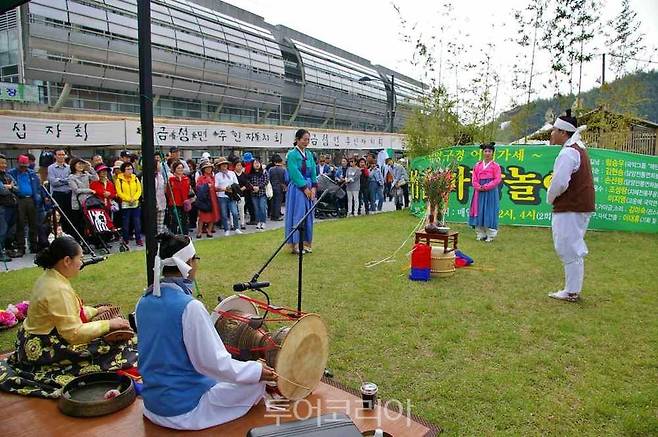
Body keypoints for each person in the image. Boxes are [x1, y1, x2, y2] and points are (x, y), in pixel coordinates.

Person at [136, 233, 276, 430]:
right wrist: (256, 370)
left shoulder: (143, 301)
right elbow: (213, 364)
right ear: (189, 263)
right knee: (254, 384)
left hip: (152, 406)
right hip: (183, 412)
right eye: (196, 259)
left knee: (234, 377)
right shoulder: (189, 307)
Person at [0, 236, 137, 398]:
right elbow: (73, 334)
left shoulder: (50, 277)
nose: (81, 263)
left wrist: (95, 312)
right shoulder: (58, 288)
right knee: (121, 347)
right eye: (79, 258)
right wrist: (110, 324)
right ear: (66, 260)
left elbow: (68, 314)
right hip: (44, 347)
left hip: (31, 340)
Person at [546, 110, 595, 302]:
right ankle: (572, 289)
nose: (551, 134)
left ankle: (572, 291)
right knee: (571, 246)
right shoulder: (577, 148)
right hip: (578, 205)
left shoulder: (568, 152)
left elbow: (559, 183)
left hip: (572, 206)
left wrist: (550, 197)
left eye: (554, 130)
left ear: (563, 133)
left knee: (568, 246)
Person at [285, 129, 318, 253]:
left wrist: (314, 186)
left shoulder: (309, 154)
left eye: (308, 139)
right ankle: (295, 244)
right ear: (297, 139)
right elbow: (294, 172)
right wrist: (304, 188)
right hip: (298, 188)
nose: (306, 142)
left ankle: (305, 243)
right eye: (304, 139)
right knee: (298, 214)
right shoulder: (292, 154)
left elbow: (314, 171)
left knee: (308, 215)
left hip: (309, 186)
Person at [8, 155, 43, 257]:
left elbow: (38, 187)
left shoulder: (31, 173)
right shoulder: (11, 173)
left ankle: (33, 245)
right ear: (18, 163)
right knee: (20, 224)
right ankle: (20, 247)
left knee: (33, 223)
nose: (24, 167)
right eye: (22, 165)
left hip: (31, 199)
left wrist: (38, 197)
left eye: (25, 165)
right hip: (19, 199)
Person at [468, 143, 502, 242]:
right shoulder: (477, 165)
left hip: (490, 192)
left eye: (489, 151)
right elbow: (474, 178)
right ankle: (480, 233)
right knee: (478, 210)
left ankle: (490, 234)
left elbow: (497, 179)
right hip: (478, 192)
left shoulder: (495, 166)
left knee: (489, 210)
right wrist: (478, 186)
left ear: (492, 153)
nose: (487, 153)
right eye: (485, 151)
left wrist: (486, 186)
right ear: (483, 152)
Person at [68, 157, 99, 243]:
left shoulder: (86, 174)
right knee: (79, 224)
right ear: (74, 166)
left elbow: (96, 178)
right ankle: (80, 241)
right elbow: (76, 190)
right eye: (79, 164)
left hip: (87, 202)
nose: (81, 166)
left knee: (88, 222)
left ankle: (91, 240)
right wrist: (89, 190)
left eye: (82, 164)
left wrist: (90, 167)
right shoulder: (71, 177)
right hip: (77, 203)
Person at [47, 149, 73, 239]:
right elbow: (53, 182)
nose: (61, 156)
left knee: (69, 216)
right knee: (58, 216)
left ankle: (69, 236)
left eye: (63, 154)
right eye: (59, 154)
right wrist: (65, 180)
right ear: (55, 156)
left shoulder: (69, 167)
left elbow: (71, 180)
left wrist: (60, 180)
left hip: (69, 194)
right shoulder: (51, 168)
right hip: (58, 194)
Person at [115, 161, 143, 246]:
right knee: (125, 223)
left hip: (135, 203)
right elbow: (119, 192)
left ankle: (138, 239)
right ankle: (125, 239)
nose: (130, 171)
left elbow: (139, 190)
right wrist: (127, 199)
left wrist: (134, 198)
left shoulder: (135, 178)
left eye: (131, 169)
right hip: (125, 204)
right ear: (123, 170)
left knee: (137, 222)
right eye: (127, 169)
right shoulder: (119, 180)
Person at [214, 157, 242, 236]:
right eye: (222, 165)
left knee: (235, 213)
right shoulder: (217, 175)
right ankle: (226, 229)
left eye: (225, 164)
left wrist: (232, 188)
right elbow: (215, 187)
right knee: (224, 214)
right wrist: (224, 189)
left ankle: (236, 228)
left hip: (231, 196)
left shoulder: (232, 173)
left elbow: (236, 184)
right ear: (219, 166)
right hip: (222, 197)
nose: (224, 166)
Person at [166, 161, 192, 235]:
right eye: (178, 168)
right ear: (174, 169)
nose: (180, 170)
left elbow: (188, 191)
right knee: (174, 220)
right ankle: (174, 235)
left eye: (181, 168)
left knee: (185, 220)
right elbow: (168, 192)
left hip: (184, 203)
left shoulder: (186, 179)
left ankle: (185, 235)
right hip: (174, 203)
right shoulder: (171, 180)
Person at [195, 160, 220, 238]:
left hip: (213, 199)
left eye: (210, 168)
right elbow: (197, 188)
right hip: (204, 199)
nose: (209, 169)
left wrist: (224, 189)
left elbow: (215, 188)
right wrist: (206, 186)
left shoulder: (213, 178)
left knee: (212, 215)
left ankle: (209, 231)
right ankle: (199, 232)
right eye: (207, 168)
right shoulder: (200, 178)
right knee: (202, 217)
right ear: (203, 169)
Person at [0, 154, 17, 262]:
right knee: (2, 230)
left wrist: (10, 187)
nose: (4, 165)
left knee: (10, 231)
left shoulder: (7, 175)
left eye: (4, 163)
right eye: (1, 163)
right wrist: (9, 187)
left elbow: (17, 187)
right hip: (2, 206)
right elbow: (2, 190)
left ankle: (7, 249)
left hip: (11, 205)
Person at [248, 158, 269, 230]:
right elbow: (248, 182)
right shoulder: (250, 173)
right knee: (256, 209)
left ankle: (263, 222)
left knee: (262, 208)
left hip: (262, 193)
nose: (256, 165)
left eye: (258, 163)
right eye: (255, 163)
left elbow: (266, 181)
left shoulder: (264, 172)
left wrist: (259, 187)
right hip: (253, 194)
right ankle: (258, 222)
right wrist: (253, 187)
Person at [268, 154, 286, 221]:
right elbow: (286, 179)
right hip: (280, 187)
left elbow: (268, 178)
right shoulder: (283, 170)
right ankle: (277, 216)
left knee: (272, 202)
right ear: (281, 162)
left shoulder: (271, 169)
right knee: (278, 202)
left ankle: (272, 215)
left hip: (272, 187)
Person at [233, 161, 250, 230]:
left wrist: (241, 189)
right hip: (233, 194)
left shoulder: (244, 175)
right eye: (237, 165)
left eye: (240, 165)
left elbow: (247, 184)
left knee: (241, 209)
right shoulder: (232, 174)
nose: (239, 167)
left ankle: (242, 223)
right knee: (233, 211)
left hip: (242, 194)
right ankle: (233, 224)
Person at [154, 154, 168, 234]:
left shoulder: (161, 175)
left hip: (162, 201)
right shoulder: (149, 177)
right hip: (153, 202)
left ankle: (160, 235)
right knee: (153, 221)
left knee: (160, 222)